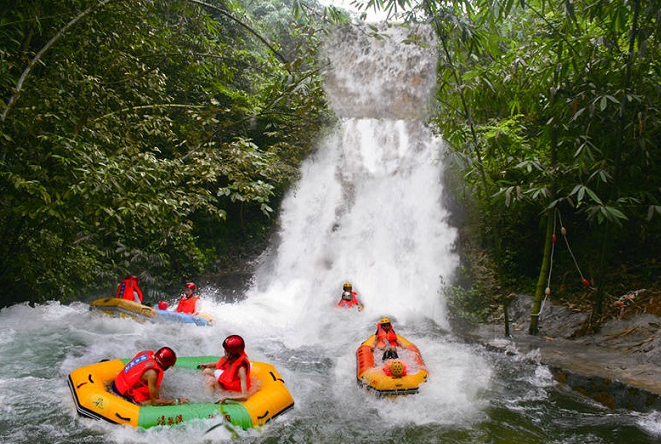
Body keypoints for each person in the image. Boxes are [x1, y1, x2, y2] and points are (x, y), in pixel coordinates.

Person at [111, 347, 188, 406]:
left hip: (116, 382)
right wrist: (177, 401)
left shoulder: (146, 353)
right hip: (121, 393)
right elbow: (155, 401)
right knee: (149, 402)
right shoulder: (152, 374)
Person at [199, 335, 251, 404]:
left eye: (226, 351)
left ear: (233, 353)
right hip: (225, 382)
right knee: (207, 371)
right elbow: (227, 364)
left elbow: (245, 396)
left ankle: (206, 403)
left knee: (211, 380)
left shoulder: (241, 370)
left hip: (230, 391)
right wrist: (210, 365)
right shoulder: (234, 357)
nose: (224, 352)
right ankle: (200, 391)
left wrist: (227, 397)